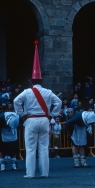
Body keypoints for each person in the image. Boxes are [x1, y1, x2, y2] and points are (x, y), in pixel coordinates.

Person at [13, 40, 62, 178]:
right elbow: (58, 102)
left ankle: (30, 173)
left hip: (31, 119)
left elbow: (16, 101)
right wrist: (52, 114)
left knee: (30, 149)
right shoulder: (48, 91)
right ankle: (44, 173)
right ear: (41, 80)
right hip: (44, 120)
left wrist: (22, 114)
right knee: (44, 148)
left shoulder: (27, 92)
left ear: (31, 81)